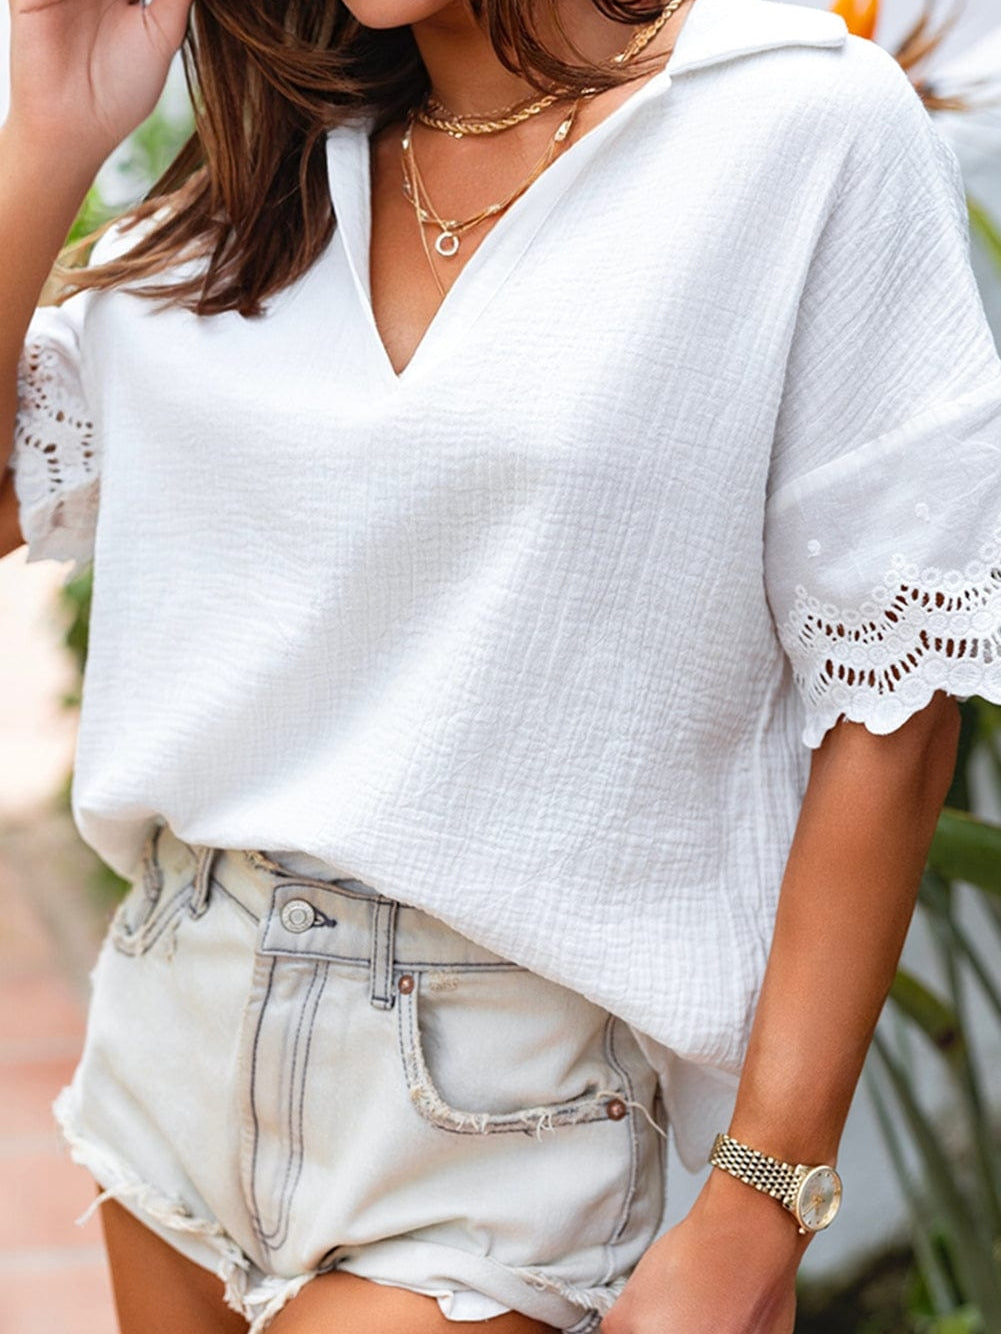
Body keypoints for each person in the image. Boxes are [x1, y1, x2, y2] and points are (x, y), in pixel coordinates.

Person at [2, 0, 1001, 1327]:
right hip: (173, 1034)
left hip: (497, 1111)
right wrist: (54, 129)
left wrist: (763, 1191)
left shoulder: (792, 119)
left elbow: (891, 691)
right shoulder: (279, 165)